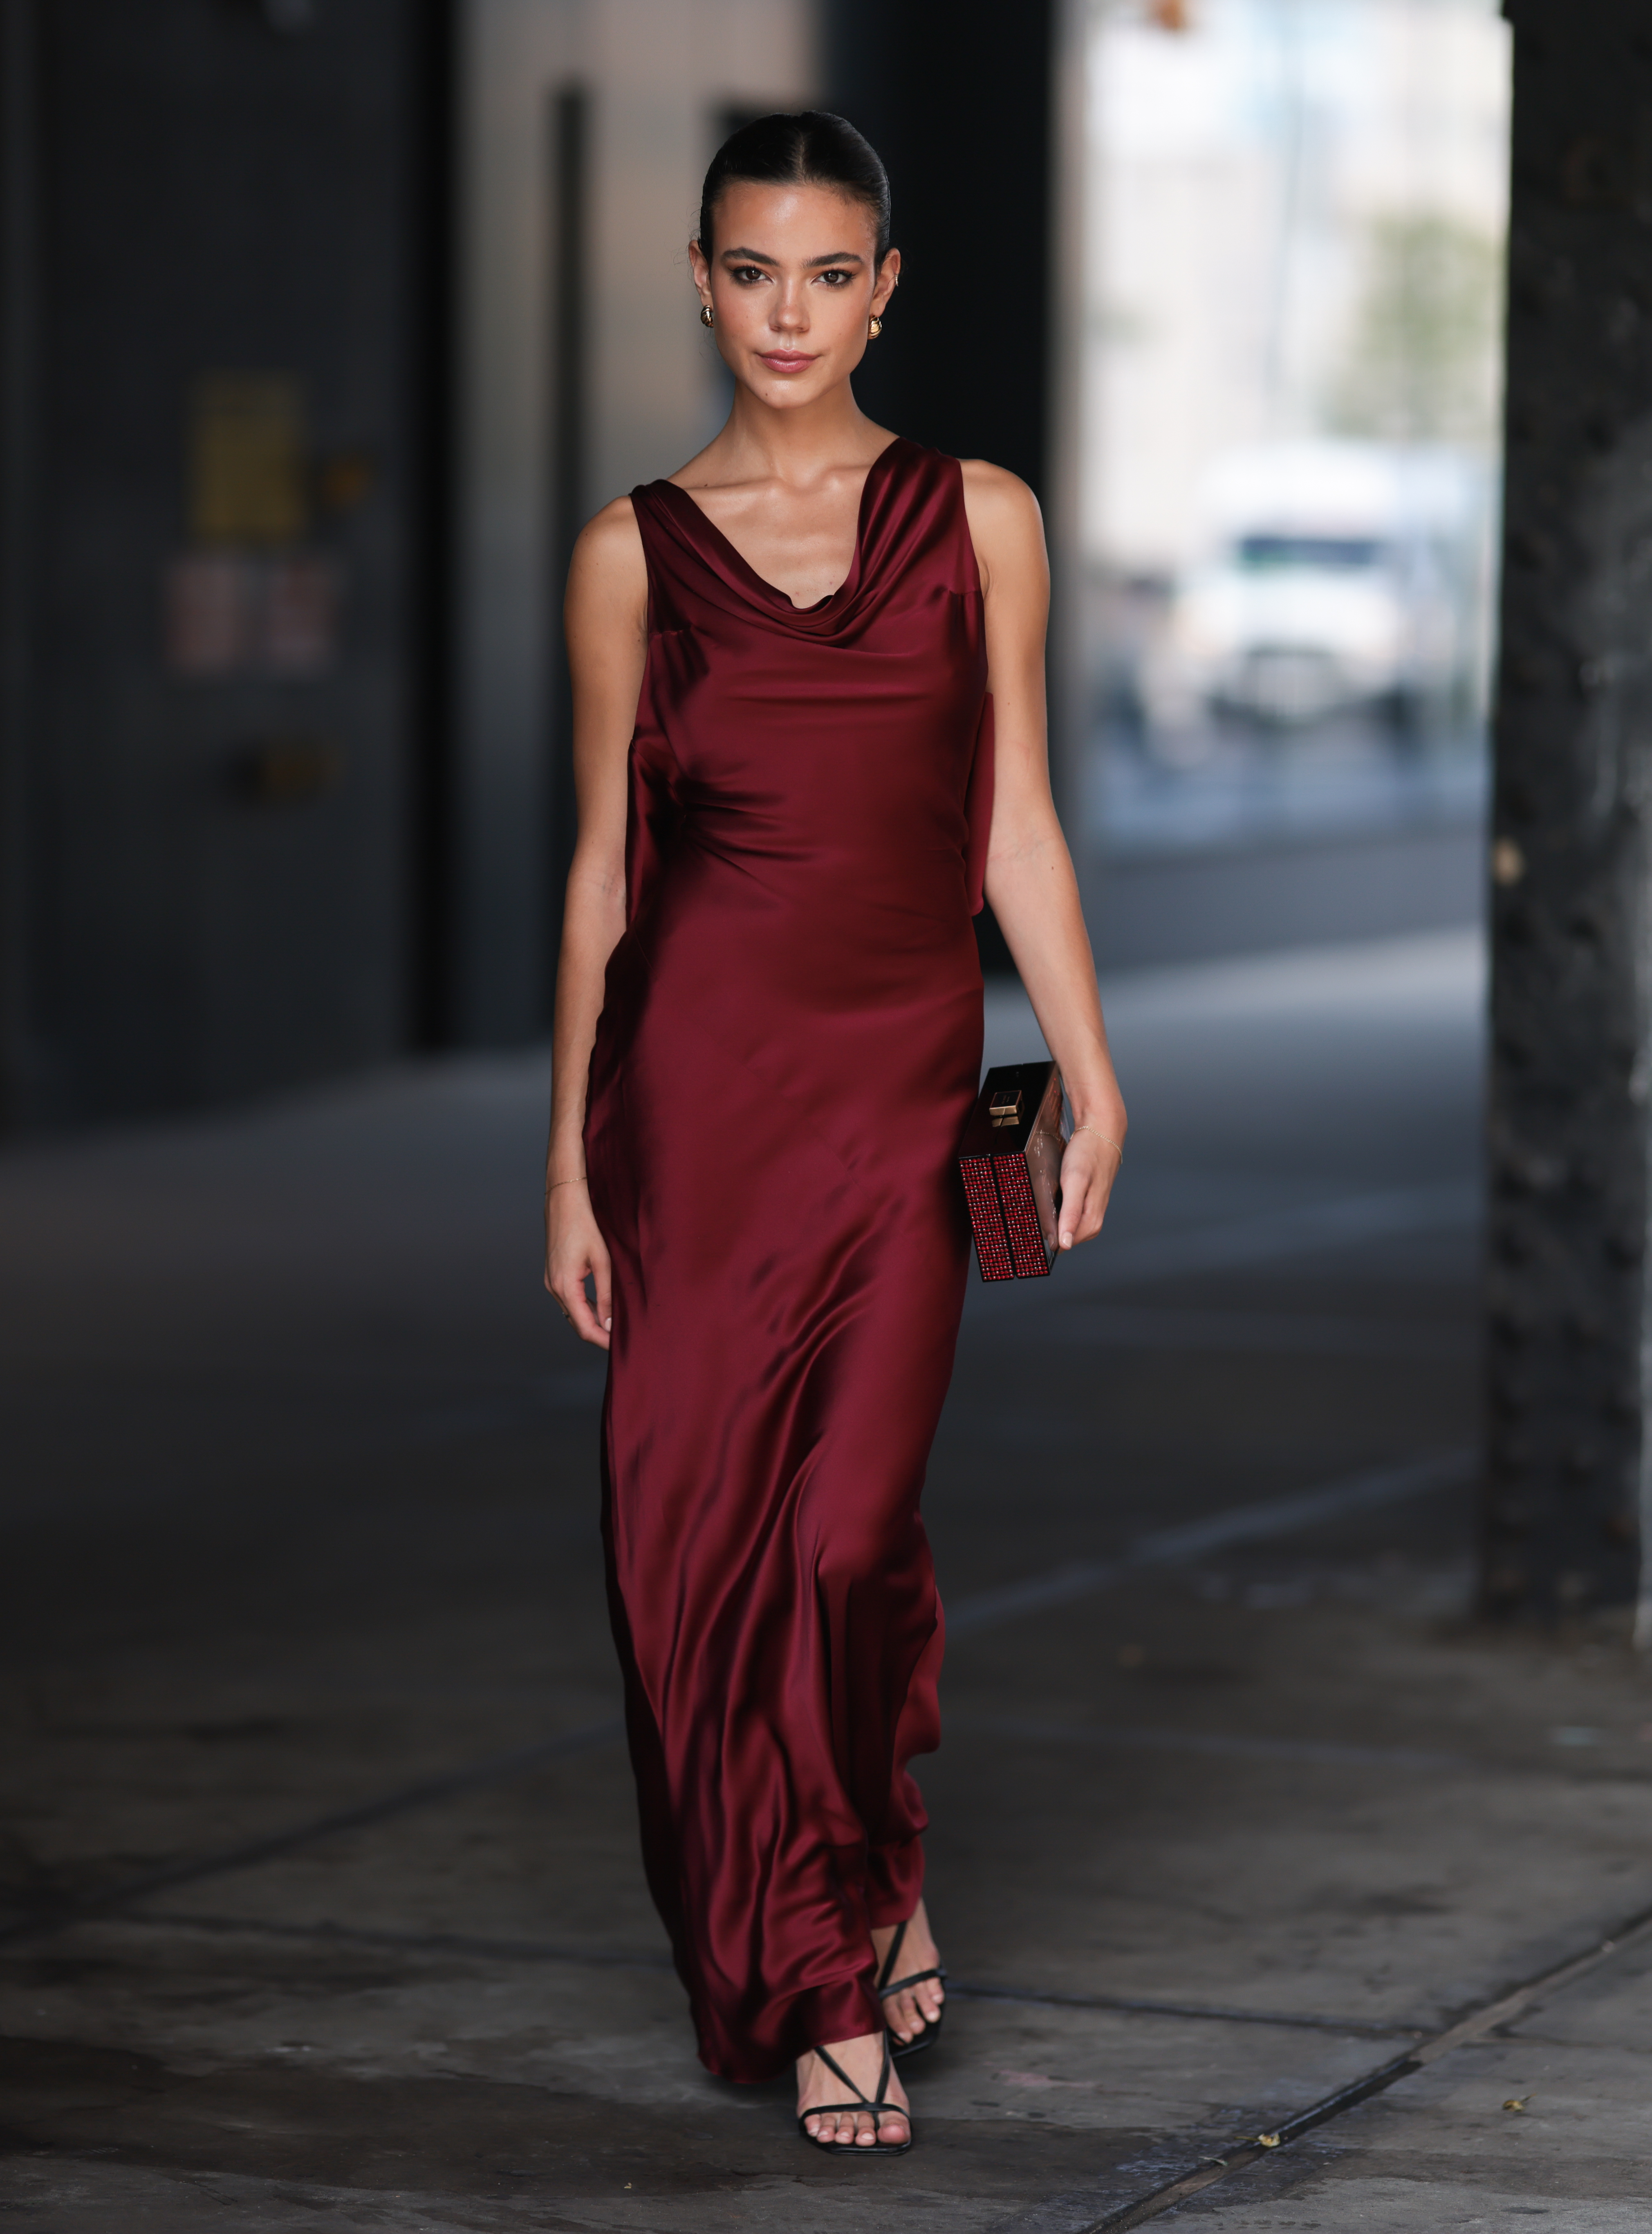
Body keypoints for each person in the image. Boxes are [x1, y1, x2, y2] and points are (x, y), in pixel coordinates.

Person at [540, 112, 1127, 2157]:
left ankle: (861, 1867)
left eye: (828, 272)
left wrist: (1090, 1056)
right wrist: (562, 1164)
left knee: (846, 1531)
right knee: (688, 1550)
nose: (788, 312)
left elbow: (1014, 821)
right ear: (697, 282)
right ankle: (821, 1959)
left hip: (895, 1093)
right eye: (750, 271)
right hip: (691, 1105)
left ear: (886, 289)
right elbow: (606, 881)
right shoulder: (627, 553)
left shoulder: (979, 519)